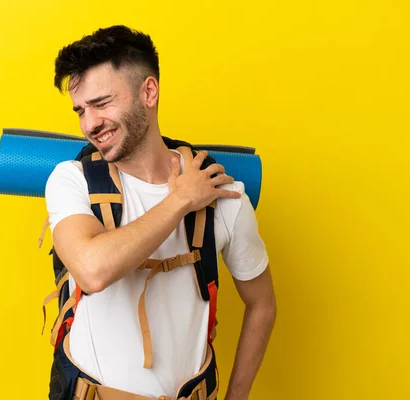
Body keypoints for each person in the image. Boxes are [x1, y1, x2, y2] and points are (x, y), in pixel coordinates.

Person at [44, 25, 276, 400]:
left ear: (148, 92)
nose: (90, 125)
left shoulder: (225, 196)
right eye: (81, 111)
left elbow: (262, 302)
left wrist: (237, 396)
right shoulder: (71, 181)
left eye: (102, 104)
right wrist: (180, 201)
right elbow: (92, 270)